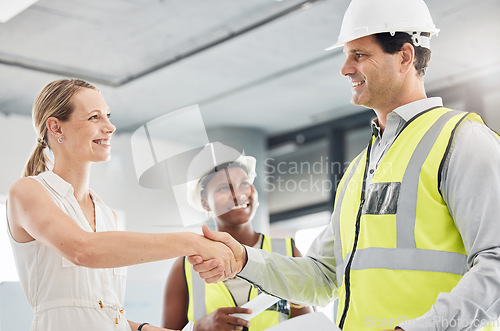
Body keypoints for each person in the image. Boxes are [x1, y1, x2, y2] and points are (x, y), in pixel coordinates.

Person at [188, 0, 500, 330]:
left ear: (405, 57)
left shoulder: (463, 140)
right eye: (346, 55)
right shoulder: (359, 170)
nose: (345, 68)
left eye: (359, 55)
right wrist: (244, 259)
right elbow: (322, 277)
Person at [6, 78, 239, 331]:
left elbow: (103, 314)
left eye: (107, 115)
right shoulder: (29, 192)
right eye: (94, 117)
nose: (110, 127)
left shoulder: (107, 214)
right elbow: (83, 250)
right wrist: (192, 242)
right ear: (56, 127)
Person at [161, 142, 312, 331]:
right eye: (224, 188)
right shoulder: (186, 266)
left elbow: (308, 325)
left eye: (244, 184)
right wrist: (200, 328)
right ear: (205, 203)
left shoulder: (287, 252)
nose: (238, 195)